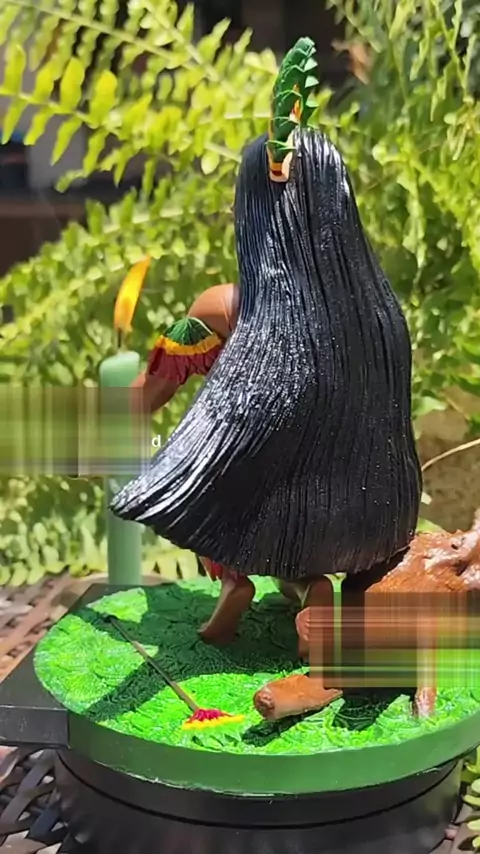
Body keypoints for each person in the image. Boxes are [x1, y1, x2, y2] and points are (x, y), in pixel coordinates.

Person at [112, 37, 422, 656]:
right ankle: (311, 588)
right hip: (359, 516)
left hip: (266, 507)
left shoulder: (224, 308)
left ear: (251, 212)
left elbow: (155, 388)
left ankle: (233, 584)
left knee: (210, 473)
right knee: (291, 489)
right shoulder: (379, 316)